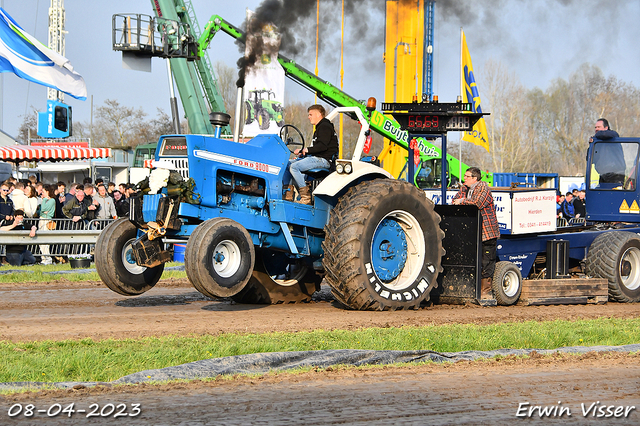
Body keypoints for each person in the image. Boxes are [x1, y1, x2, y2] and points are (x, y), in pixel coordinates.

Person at [452, 167, 500, 300]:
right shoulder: (465, 188)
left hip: (487, 232)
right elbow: (454, 200)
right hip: (473, 232)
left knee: (486, 262)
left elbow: (476, 203)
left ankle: (486, 292)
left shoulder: (483, 188)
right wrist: (461, 201)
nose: (464, 179)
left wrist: (462, 201)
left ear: (475, 178)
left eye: (467, 176)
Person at [283, 104, 339, 205]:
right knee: (286, 164)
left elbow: (323, 147)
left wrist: (306, 150)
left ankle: (306, 196)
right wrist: (303, 153)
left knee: (294, 167)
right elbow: (317, 148)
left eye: (310, 114)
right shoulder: (319, 127)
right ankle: (288, 194)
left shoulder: (325, 126)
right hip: (316, 157)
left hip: (324, 160)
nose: (308, 117)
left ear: (318, 114)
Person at [590, 118, 625, 186]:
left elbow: (605, 134)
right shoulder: (598, 143)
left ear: (606, 127)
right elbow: (591, 158)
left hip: (616, 175)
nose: (596, 129)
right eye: (595, 127)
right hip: (603, 175)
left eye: (599, 127)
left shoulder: (612, 135)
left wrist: (595, 137)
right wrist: (591, 144)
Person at [38, 185, 56, 265]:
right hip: (42, 219)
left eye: (44, 192)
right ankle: (43, 258)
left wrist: (44, 200)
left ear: (48, 192)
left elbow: (43, 209)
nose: (42, 193)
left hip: (46, 220)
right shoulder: (45, 200)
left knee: (45, 241)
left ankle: (47, 258)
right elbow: (40, 211)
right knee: (41, 241)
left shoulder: (51, 200)